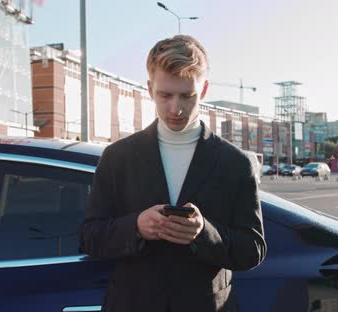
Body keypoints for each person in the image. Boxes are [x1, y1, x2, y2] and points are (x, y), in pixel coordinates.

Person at [80, 35, 266, 312]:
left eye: (187, 96)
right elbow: (90, 237)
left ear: (203, 90)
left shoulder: (235, 163)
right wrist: (136, 226)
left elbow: (253, 250)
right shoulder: (117, 157)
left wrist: (205, 233)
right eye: (165, 95)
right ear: (149, 88)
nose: (175, 108)